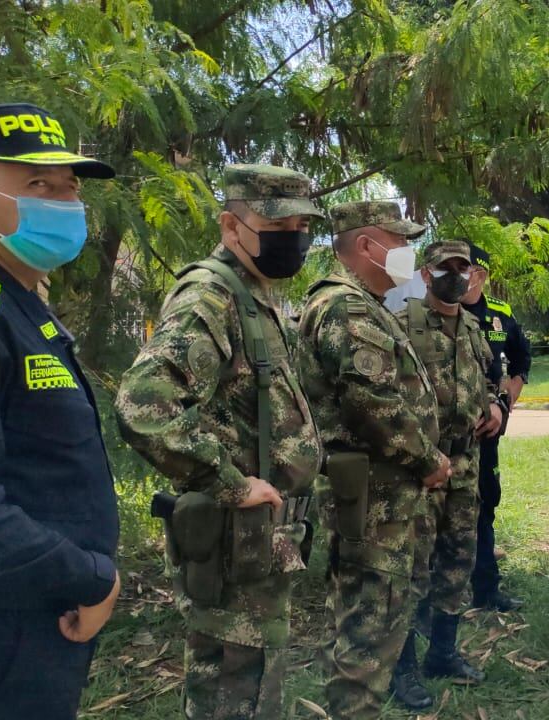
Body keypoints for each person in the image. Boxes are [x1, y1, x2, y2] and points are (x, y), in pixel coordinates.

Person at [116, 164, 324, 718]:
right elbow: (144, 403)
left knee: (250, 685)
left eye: (302, 226)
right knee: (237, 693)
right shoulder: (210, 296)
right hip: (235, 543)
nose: (294, 239)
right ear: (232, 226)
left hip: (259, 545)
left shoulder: (253, 294)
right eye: (277, 227)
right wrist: (230, 484)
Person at [0, 102, 121, 718]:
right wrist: (87, 577)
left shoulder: (11, 297)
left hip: (32, 623)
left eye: (69, 186)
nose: (65, 202)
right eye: (37, 184)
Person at [298, 201, 450, 716]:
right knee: (368, 624)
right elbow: (374, 405)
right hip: (372, 496)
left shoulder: (364, 304)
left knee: (369, 616)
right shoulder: (348, 308)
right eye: (400, 240)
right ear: (366, 245)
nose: (408, 251)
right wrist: (428, 460)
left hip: (378, 494)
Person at [397, 241, 505, 695]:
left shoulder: (474, 328)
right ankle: (402, 666)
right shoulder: (401, 325)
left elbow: (487, 381)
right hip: (420, 467)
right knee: (410, 567)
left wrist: (496, 406)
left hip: (465, 463)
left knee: (458, 560)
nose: (456, 275)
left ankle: (442, 652)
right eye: (446, 268)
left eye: (463, 268)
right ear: (426, 274)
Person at [462, 242, 532, 612]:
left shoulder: (500, 314)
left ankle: (486, 589)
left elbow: (521, 360)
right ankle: (436, 594)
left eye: (465, 269)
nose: (457, 276)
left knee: (485, 501)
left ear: (481, 275)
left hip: (487, 427)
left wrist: (506, 404)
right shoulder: (429, 311)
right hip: (443, 429)